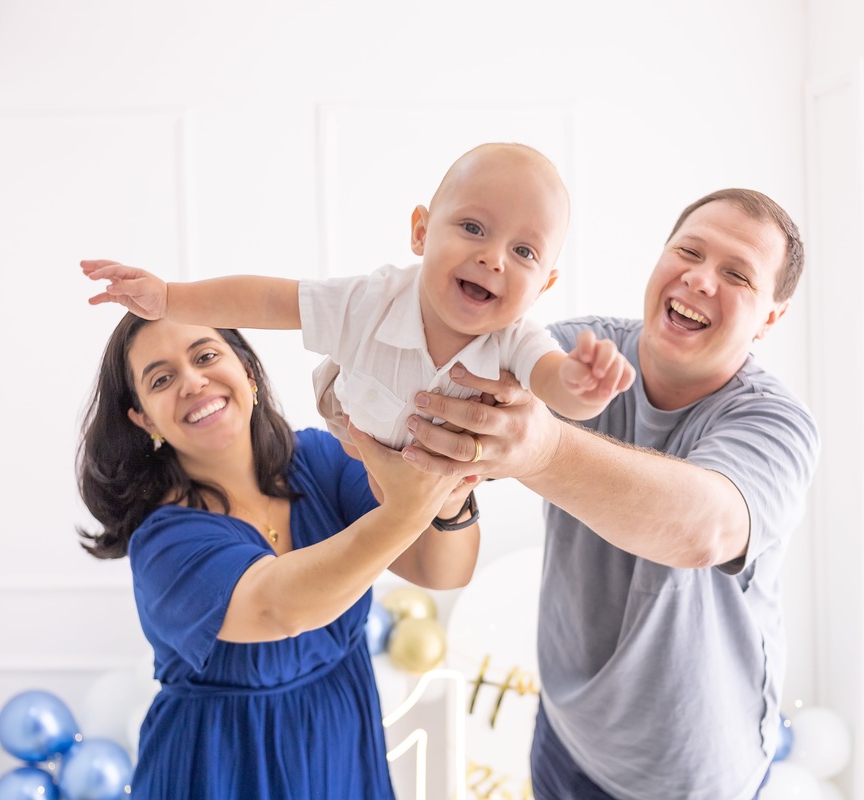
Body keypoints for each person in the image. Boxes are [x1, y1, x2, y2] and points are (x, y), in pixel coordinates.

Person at [399, 189, 821, 800]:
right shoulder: (574, 357)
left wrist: (541, 450)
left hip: (689, 774)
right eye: (689, 251)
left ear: (770, 319)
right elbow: (450, 400)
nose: (700, 279)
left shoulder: (776, 424)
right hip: (565, 734)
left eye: (737, 275)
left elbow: (703, 529)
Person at [76, 313, 479, 799]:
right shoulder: (164, 541)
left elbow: (442, 569)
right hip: (224, 766)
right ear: (143, 418)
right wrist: (413, 505)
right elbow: (280, 608)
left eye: (205, 356)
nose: (193, 382)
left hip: (341, 739)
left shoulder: (321, 460)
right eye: (161, 379)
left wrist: (450, 494)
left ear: (246, 370)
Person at [80, 142, 634, 467]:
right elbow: (270, 300)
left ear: (544, 286)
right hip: (356, 435)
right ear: (421, 232)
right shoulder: (372, 301)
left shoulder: (516, 339)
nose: (494, 259)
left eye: (523, 252)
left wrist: (583, 386)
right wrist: (171, 298)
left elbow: (552, 382)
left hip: (437, 476)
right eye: (472, 227)